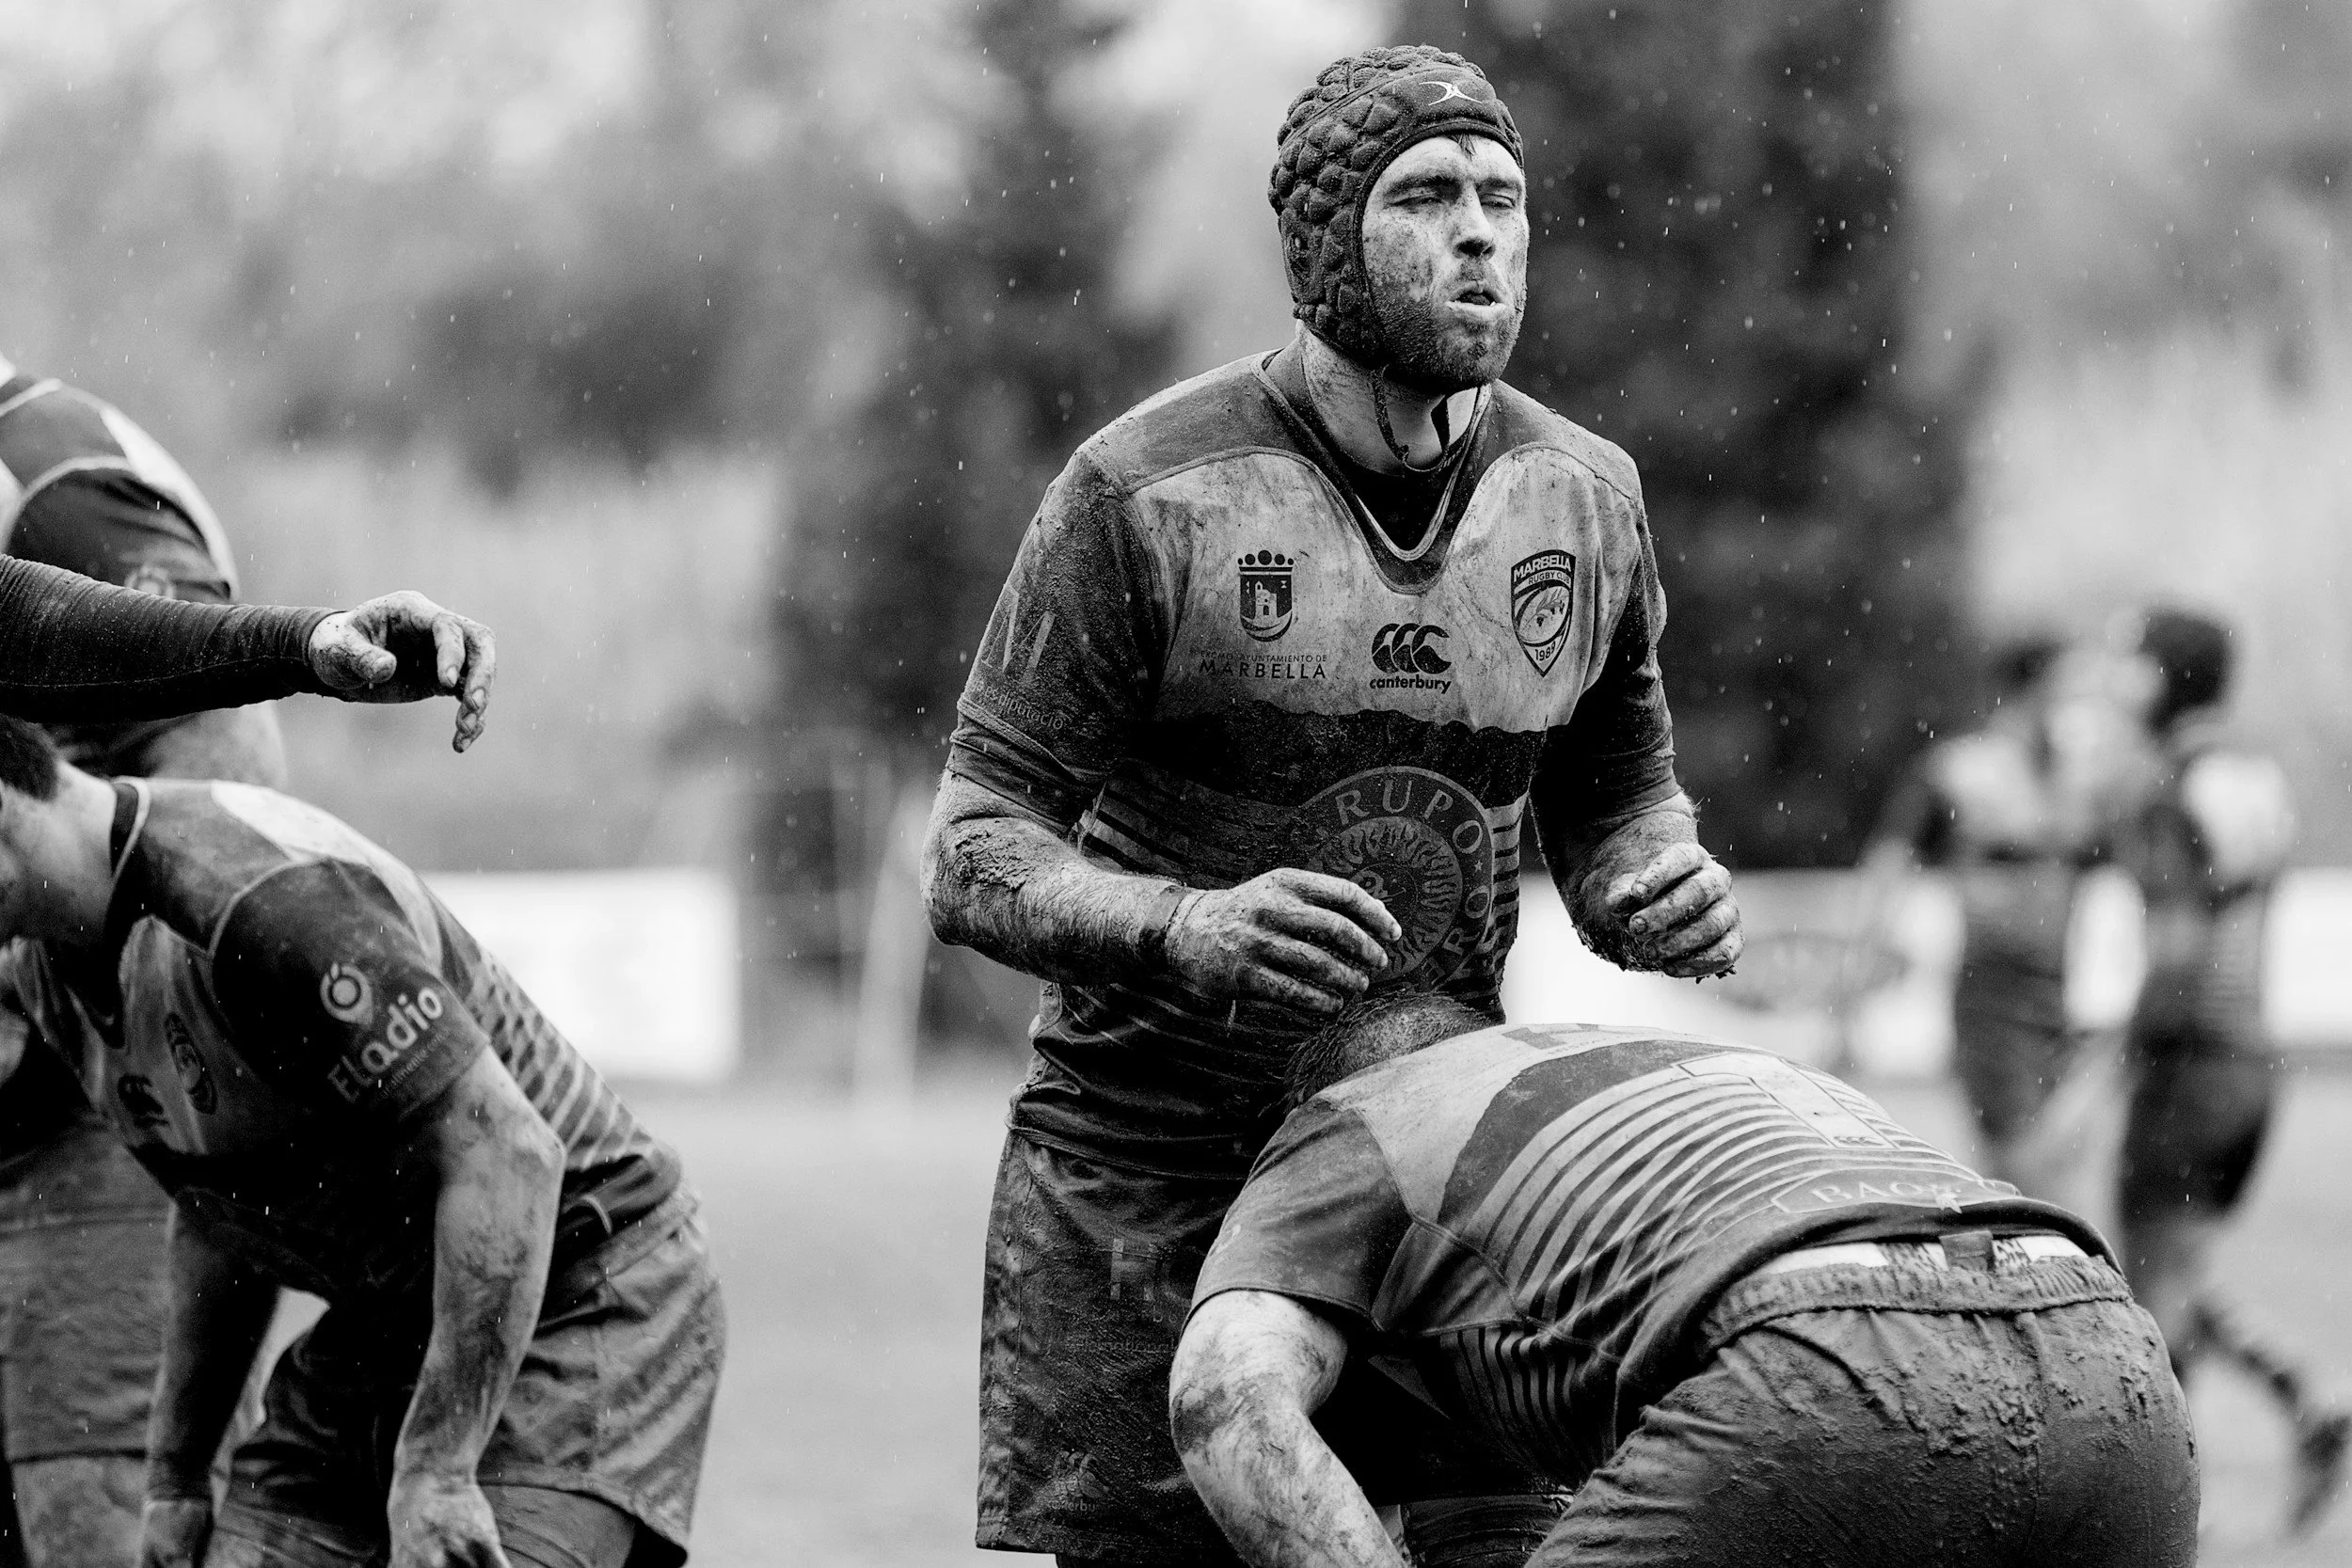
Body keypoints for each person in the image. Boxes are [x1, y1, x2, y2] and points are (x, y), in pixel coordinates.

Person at [923, 44, 1740, 1566]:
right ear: (1321, 247)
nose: (1481, 232)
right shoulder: (1143, 493)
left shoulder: (1587, 501)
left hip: (1428, 1167)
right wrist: (1184, 928)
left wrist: (1652, 883)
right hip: (1147, 1181)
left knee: (1512, 1538)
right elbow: (971, 859)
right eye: (1427, 197)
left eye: (1503, 198)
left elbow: (1623, 804)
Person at [0, 718, 723, 1568]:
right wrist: (179, 1478)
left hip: (585, 1275)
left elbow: (510, 1159)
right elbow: (216, 1214)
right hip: (390, 1314)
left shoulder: (258, 898)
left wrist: (439, 1469)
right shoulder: (49, 962)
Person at [1169, 992, 2199, 1568]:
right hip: (2109, 1362)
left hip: (1825, 1362)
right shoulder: (1676, 1056)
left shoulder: (1355, 1119)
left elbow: (1222, 1401)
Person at [2115, 606, 2347, 1533]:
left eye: (2128, 660)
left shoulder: (2171, 786)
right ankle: (2301, 1390)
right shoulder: (2252, 772)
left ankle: (2167, 1513)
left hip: (2189, 1057)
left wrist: (2115, 1054)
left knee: (2151, 1287)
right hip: (2253, 1056)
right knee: (2177, 1274)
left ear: (2166, 673)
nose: (2115, 678)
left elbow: (2174, 948)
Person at [1851, 632, 2139, 1186]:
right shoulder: (1959, 772)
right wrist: (1853, 995)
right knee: (2025, 1168)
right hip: (1994, 999)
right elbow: (1887, 869)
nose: (2082, 706)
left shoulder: (2082, 783)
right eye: (2069, 689)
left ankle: (2007, 1263)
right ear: (2027, 691)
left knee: (2045, 1175)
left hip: (2064, 997)